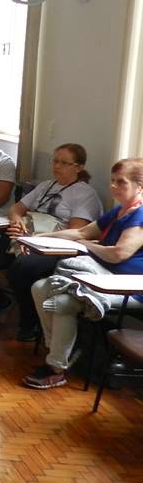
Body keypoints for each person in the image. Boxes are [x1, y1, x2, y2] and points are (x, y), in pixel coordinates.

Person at [24, 158, 143, 390]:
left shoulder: (139, 215)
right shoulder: (119, 211)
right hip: (102, 275)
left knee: (62, 303)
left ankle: (56, 367)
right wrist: (40, 237)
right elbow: (81, 232)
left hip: (129, 287)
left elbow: (118, 254)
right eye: (112, 180)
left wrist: (89, 246)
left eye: (121, 182)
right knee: (38, 288)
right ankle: (60, 352)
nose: (113, 186)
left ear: (140, 187)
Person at [0, 143, 102, 332]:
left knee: (22, 268)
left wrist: (33, 238)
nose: (57, 166)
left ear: (78, 167)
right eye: (55, 161)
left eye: (64, 163)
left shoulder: (85, 194)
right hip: (23, 236)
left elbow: (76, 231)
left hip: (54, 245)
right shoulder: (46, 185)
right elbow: (16, 209)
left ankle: (30, 323)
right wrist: (16, 222)